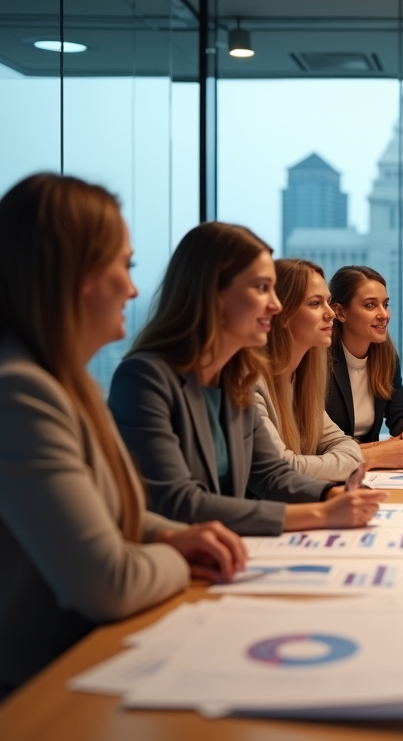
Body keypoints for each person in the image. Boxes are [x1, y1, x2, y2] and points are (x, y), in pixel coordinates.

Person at [0, 174, 246, 698]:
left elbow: (107, 517)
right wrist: (182, 557)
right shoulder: (20, 392)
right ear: (79, 275)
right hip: (40, 689)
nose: (133, 289)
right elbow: (107, 584)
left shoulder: (64, 382)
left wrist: (169, 535)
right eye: (125, 265)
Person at [109, 223, 386, 536]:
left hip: (228, 550)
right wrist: (321, 512)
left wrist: (330, 495)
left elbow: (270, 473)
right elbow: (178, 502)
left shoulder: (232, 376)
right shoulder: (144, 379)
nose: (276, 305)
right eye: (261, 288)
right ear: (213, 293)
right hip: (174, 560)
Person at [254, 259, 364, 482]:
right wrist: (340, 464)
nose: (331, 313)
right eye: (315, 304)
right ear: (280, 312)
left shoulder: (302, 378)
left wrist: (314, 464)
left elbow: (348, 449)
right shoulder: (252, 382)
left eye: (328, 302)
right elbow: (282, 469)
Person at [326, 265, 403, 470]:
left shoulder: (386, 357)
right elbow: (316, 443)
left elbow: (398, 413)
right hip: (332, 470)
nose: (384, 314)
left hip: (373, 470)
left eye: (385, 304)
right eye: (370, 305)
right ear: (339, 312)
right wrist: (380, 449)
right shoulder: (318, 362)